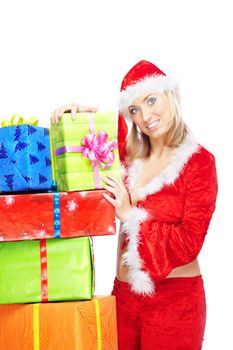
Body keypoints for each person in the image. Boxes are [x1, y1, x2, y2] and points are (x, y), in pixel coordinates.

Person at [51, 60, 218, 350]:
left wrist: (130, 215)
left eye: (151, 100)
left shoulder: (199, 163)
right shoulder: (130, 157)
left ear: (172, 96)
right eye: (134, 110)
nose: (145, 116)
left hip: (174, 302)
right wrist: (79, 121)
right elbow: (96, 147)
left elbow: (189, 241)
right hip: (123, 298)